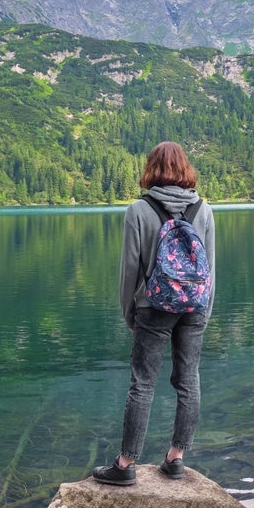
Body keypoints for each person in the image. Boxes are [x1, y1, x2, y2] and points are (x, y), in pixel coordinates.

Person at [92, 141, 215, 485]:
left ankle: (125, 464)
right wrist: (204, 311)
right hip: (194, 306)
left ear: (151, 169)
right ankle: (176, 458)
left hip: (154, 305)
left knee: (142, 384)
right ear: (185, 169)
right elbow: (211, 269)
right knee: (188, 380)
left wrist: (129, 312)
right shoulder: (203, 209)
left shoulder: (139, 210)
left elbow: (129, 270)